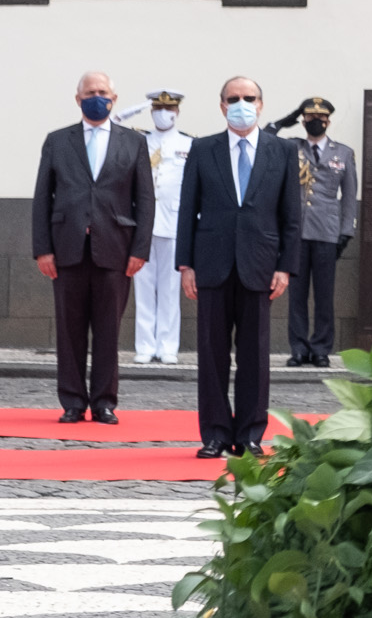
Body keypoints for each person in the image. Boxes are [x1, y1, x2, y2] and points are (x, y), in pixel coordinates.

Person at [179, 78, 296, 459]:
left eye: (249, 98)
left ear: (261, 104)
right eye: (233, 99)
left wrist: (285, 268)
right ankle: (213, 433)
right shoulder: (203, 148)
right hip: (211, 264)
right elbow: (187, 210)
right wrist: (186, 265)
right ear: (221, 105)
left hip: (260, 266)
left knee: (255, 356)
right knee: (211, 354)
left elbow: (291, 216)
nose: (241, 104)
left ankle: (249, 434)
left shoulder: (283, 151)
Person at [32, 71, 153, 425]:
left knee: (107, 330)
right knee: (69, 331)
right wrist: (43, 249)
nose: (95, 97)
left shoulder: (133, 143)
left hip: (115, 249)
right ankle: (72, 401)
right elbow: (42, 197)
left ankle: (104, 401)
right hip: (67, 249)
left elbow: (144, 200)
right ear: (77, 98)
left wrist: (140, 249)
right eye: (89, 92)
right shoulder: (57, 141)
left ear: (113, 98)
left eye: (102, 92)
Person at [284, 97, 358, 366]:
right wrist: (282, 121)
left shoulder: (344, 153)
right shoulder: (291, 148)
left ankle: (321, 348)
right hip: (296, 231)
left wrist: (346, 231)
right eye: (309, 117)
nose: (315, 121)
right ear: (302, 120)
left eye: (321, 117)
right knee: (297, 295)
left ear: (328, 121)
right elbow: (264, 138)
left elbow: (349, 195)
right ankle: (299, 348)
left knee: (324, 295)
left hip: (328, 232)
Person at [124, 92, 190, 362]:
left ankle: (167, 346)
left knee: (170, 289)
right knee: (144, 288)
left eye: (169, 107)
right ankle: (145, 346)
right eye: (158, 108)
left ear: (177, 111)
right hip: (142, 225)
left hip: (173, 223)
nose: (164, 112)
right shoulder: (139, 142)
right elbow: (113, 125)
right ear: (151, 111)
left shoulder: (189, 144)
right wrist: (132, 110)